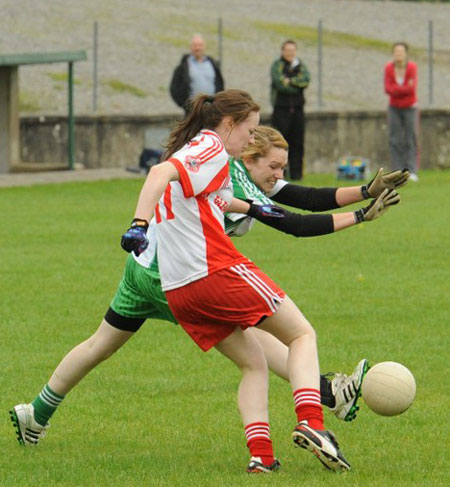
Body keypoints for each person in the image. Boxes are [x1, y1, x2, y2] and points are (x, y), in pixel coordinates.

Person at [10, 110, 402, 474]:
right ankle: (324, 395)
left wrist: (365, 190)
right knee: (259, 342)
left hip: (143, 269)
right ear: (248, 152)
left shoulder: (236, 169)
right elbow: (292, 221)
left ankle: (36, 412)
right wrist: (362, 214)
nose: (279, 175)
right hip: (180, 275)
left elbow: (304, 198)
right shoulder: (231, 174)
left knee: (101, 343)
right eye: (274, 166)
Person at [270, 39, 310, 181]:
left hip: (298, 110)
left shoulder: (300, 65)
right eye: (287, 50)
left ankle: (297, 175)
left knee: (298, 143)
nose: (290, 53)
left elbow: (305, 80)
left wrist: (290, 80)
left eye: (292, 51)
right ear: (283, 51)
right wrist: (295, 83)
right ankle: (281, 174)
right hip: (281, 110)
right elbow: (280, 84)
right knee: (281, 143)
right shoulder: (277, 65)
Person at [384, 42, 419, 181]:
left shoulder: (412, 68)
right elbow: (388, 89)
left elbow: (411, 89)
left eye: (401, 51)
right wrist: (403, 89)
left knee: (410, 138)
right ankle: (397, 171)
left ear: (406, 53)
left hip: (410, 107)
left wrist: (397, 90)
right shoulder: (388, 68)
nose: (399, 54)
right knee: (394, 139)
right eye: (396, 51)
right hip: (394, 108)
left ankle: (412, 170)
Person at [170, 34, 224, 113]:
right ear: (190, 47)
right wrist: (185, 106)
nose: (197, 48)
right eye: (195, 45)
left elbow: (220, 84)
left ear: (204, 47)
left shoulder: (212, 64)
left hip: (211, 109)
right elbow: (174, 88)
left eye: (200, 45)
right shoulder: (183, 66)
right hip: (192, 111)